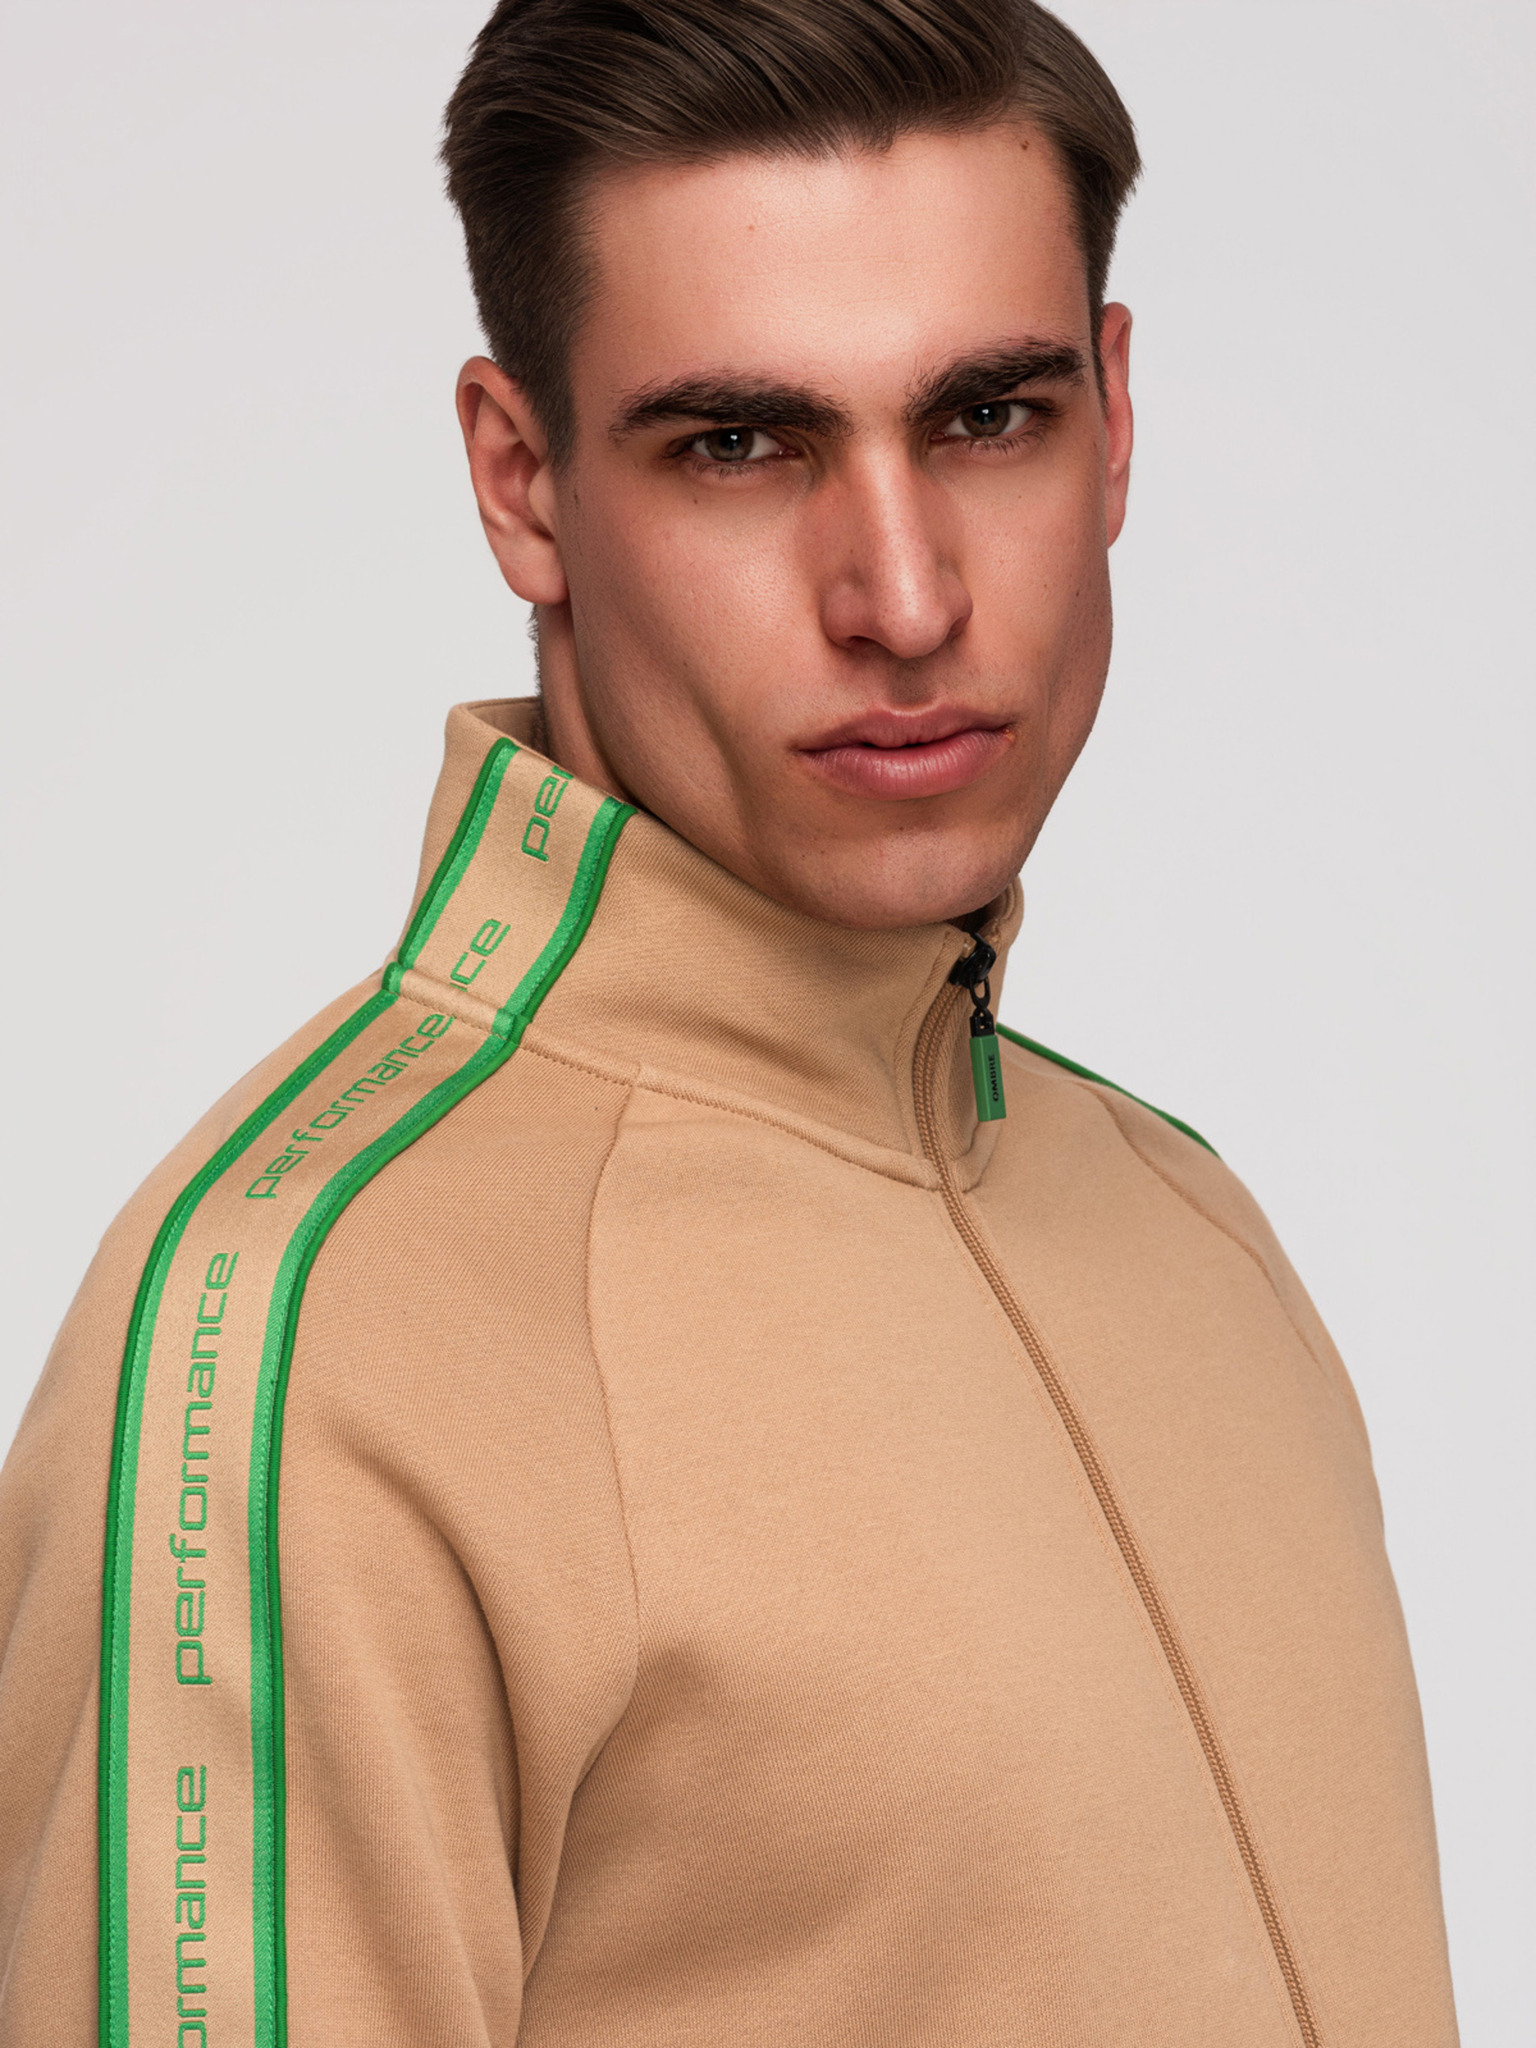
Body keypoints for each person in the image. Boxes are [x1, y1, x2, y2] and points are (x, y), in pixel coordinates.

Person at [0, 1, 1459, 2041]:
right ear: (522, 483)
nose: (905, 597)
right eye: (741, 446)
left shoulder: (1186, 1224)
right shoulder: (315, 1343)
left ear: (1115, 414)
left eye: (988, 418)